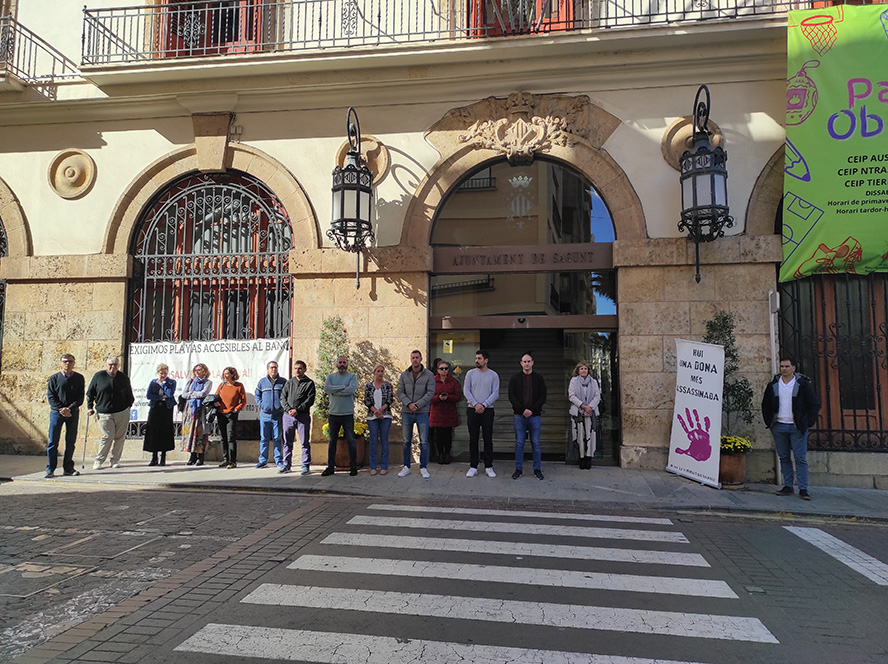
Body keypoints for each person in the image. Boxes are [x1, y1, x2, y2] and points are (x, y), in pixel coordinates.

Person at [762, 356, 821, 500]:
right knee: (784, 457)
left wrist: (807, 423)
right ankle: (788, 485)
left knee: (800, 458)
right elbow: (766, 404)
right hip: (779, 425)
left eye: (787, 366)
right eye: (782, 366)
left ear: (793, 368)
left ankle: (803, 488)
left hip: (796, 426)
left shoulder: (803, 384)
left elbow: (813, 404)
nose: (784, 369)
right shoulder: (774, 385)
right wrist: (770, 421)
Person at [87, 355, 135, 470]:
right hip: (104, 412)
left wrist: (128, 406)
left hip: (121, 412)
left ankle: (114, 460)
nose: (113, 367)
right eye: (110, 364)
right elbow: (90, 393)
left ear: (118, 366)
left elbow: (129, 394)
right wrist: (89, 407)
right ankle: (99, 460)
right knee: (107, 436)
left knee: (120, 437)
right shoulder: (99, 376)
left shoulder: (123, 377)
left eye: (115, 365)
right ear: (106, 365)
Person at [396, 350, 436, 479]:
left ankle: (423, 467)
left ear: (421, 358)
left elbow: (430, 392)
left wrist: (417, 405)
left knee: (424, 441)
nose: (415, 360)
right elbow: (400, 392)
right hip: (407, 412)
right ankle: (406, 466)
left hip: (422, 412)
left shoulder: (429, 375)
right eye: (413, 357)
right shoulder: (404, 375)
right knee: (406, 441)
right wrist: (409, 404)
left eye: (417, 357)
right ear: (410, 359)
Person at [45, 353, 85, 478]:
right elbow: (51, 396)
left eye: (70, 361)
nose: (67, 363)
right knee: (53, 441)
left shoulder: (79, 378)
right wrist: (61, 408)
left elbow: (80, 397)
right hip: (57, 413)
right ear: (61, 363)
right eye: (65, 361)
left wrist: (69, 409)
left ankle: (68, 468)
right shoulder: (54, 378)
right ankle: (50, 469)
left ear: (74, 363)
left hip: (72, 413)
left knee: (70, 441)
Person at [509, 352, 547, 480]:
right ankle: (518, 469)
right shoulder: (515, 378)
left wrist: (532, 410)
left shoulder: (539, 378)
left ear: (532, 363)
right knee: (519, 443)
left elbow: (543, 396)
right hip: (519, 416)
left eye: (529, 361)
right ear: (521, 363)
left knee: (535, 443)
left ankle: (537, 469)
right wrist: (522, 409)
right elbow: (512, 396)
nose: (527, 364)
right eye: (524, 361)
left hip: (535, 416)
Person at [463, 349, 499, 478]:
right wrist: (475, 404)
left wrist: (484, 404)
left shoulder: (493, 375)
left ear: (486, 360)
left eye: (479, 358)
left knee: (488, 439)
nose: (477, 361)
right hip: (472, 409)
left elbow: (495, 393)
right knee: (473, 439)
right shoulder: (470, 374)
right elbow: (466, 390)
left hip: (487, 410)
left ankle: (488, 466)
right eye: (476, 358)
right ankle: (473, 466)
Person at [322, 355, 359, 477]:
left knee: (351, 441)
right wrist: (343, 387)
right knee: (332, 441)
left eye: (344, 362)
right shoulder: (331, 376)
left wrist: (335, 390)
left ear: (347, 364)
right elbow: (326, 388)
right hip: (334, 414)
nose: (342, 364)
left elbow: (351, 390)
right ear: (337, 364)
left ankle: (353, 467)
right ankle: (330, 467)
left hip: (347, 414)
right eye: (340, 362)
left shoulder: (352, 376)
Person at [281, 360, 316, 475]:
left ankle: (305, 465)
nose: (297, 370)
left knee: (304, 442)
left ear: (305, 369)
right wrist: (288, 409)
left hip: (302, 417)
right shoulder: (289, 382)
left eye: (300, 368)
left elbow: (309, 400)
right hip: (288, 417)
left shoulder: (309, 383)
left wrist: (298, 410)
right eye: (295, 368)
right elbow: (283, 397)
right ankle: (286, 465)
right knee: (287, 442)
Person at [568, 362, 601, 470]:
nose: (583, 370)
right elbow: (571, 396)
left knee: (590, 435)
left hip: (591, 412)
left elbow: (597, 396)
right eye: (581, 369)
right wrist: (583, 406)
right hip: (578, 413)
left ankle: (589, 458)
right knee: (580, 436)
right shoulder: (573, 381)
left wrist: (589, 407)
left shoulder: (593, 381)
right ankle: (581, 458)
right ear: (578, 371)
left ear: (588, 370)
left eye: (585, 369)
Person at [143, 363, 177, 467]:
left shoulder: (171, 382)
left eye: (165, 373)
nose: (163, 375)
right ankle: (154, 457)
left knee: (164, 431)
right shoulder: (153, 382)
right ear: (158, 373)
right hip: (155, 407)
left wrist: (163, 384)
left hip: (166, 408)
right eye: (161, 373)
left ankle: (163, 458)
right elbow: (149, 395)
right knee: (154, 431)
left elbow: (170, 394)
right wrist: (160, 397)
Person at [255, 360, 286, 470]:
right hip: (265, 415)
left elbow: (286, 395)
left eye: (275, 367)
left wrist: (282, 406)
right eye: (272, 367)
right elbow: (257, 395)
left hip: (278, 415)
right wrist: (261, 405)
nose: (274, 369)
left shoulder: (283, 382)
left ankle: (279, 460)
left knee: (277, 438)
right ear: (268, 370)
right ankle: (263, 460)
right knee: (264, 438)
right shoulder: (262, 382)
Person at [429, 360, 462, 465]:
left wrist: (448, 397)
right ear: (438, 370)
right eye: (441, 369)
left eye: (446, 368)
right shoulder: (432, 381)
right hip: (437, 411)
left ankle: (447, 454)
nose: (444, 371)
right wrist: (438, 398)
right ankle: (440, 454)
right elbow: (429, 396)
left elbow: (458, 396)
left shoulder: (453, 381)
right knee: (438, 435)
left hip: (449, 411)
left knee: (448, 434)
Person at [363, 364, 394, 475]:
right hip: (372, 416)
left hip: (385, 416)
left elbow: (390, 399)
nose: (380, 373)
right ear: (374, 372)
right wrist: (375, 411)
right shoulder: (369, 386)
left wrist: (381, 410)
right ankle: (373, 466)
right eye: (378, 371)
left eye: (382, 371)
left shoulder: (388, 385)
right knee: (373, 440)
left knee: (384, 440)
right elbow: (366, 400)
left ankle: (384, 466)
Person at [181, 363, 213, 466]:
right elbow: (184, 394)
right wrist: (194, 395)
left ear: (204, 371)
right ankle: (192, 456)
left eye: (199, 370)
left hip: (200, 409)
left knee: (200, 433)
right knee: (190, 432)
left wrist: (191, 394)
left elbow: (203, 393)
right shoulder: (191, 382)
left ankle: (200, 456)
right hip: (190, 410)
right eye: (195, 370)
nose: (197, 372)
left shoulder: (207, 382)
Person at [215, 366, 246, 468]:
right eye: (224, 373)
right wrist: (215, 403)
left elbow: (243, 401)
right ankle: (225, 459)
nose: (225, 375)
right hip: (221, 414)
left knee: (231, 437)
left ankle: (233, 461)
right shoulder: (221, 385)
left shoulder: (239, 386)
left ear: (233, 374)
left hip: (231, 414)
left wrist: (236, 409)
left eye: (227, 373)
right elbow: (216, 397)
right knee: (223, 437)